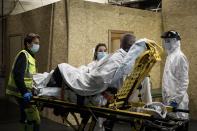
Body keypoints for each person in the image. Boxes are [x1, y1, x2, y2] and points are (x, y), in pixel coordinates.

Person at [6, 33, 41, 131]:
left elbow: (29, 77)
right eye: (36, 43)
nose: (38, 46)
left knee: (25, 117)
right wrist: (25, 92)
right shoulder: (24, 55)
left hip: (25, 93)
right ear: (28, 43)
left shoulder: (31, 56)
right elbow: (18, 76)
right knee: (35, 119)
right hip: (22, 93)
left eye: (38, 43)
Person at [161, 30, 189, 119]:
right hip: (169, 100)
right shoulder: (170, 57)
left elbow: (183, 82)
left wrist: (176, 101)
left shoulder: (180, 57)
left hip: (177, 102)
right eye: (165, 41)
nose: (166, 43)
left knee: (179, 122)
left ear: (175, 41)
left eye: (168, 41)